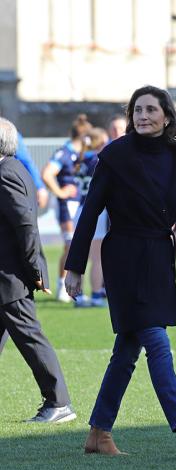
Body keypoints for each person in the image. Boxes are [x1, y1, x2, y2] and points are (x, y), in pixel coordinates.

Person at [65, 85, 176, 458]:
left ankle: (98, 434)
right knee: (157, 343)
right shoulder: (115, 156)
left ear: (167, 116)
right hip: (124, 258)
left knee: (127, 351)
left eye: (150, 110)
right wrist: (75, 266)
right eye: (137, 111)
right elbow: (90, 211)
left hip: (158, 258)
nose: (142, 116)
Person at [0, 117, 76, 423]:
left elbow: (26, 226)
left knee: (31, 338)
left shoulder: (7, 172)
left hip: (11, 276)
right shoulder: (11, 169)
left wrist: (34, 270)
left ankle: (58, 402)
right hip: (8, 275)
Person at [42, 114, 92, 303]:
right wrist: (60, 192)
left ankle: (75, 288)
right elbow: (47, 174)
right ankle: (63, 286)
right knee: (71, 245)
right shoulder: (65, 152)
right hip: (67, 205)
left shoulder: (86, 155)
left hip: (79, 204)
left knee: (77, 246)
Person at [73, 127, 109, 307]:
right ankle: (96, 295)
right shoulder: (97, 160)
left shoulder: (81, 159)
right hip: (96, 211)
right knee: (97, 258)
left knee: (81, 256)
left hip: (79, 209)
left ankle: (77, 295)